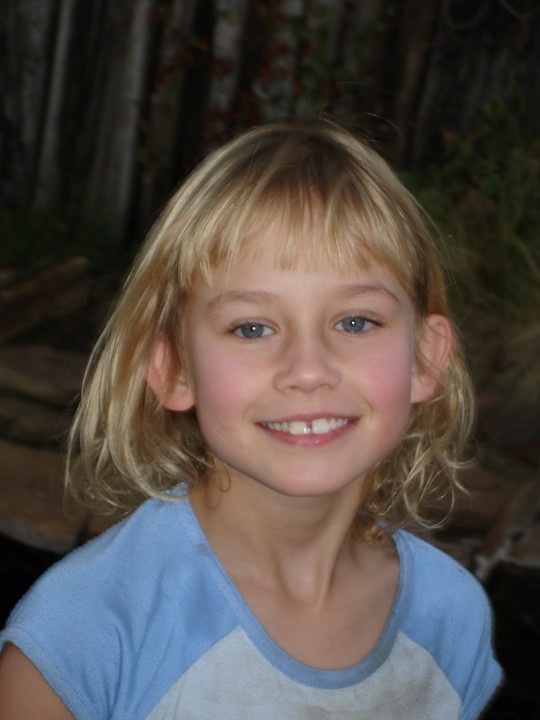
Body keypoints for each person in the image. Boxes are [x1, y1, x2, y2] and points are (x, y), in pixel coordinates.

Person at [0, 120, 502, 718]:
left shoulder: (452, 618)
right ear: (173, 368)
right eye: (253, 328)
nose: (308, 370)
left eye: (355, 322)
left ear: (424, 358)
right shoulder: (82, 640)